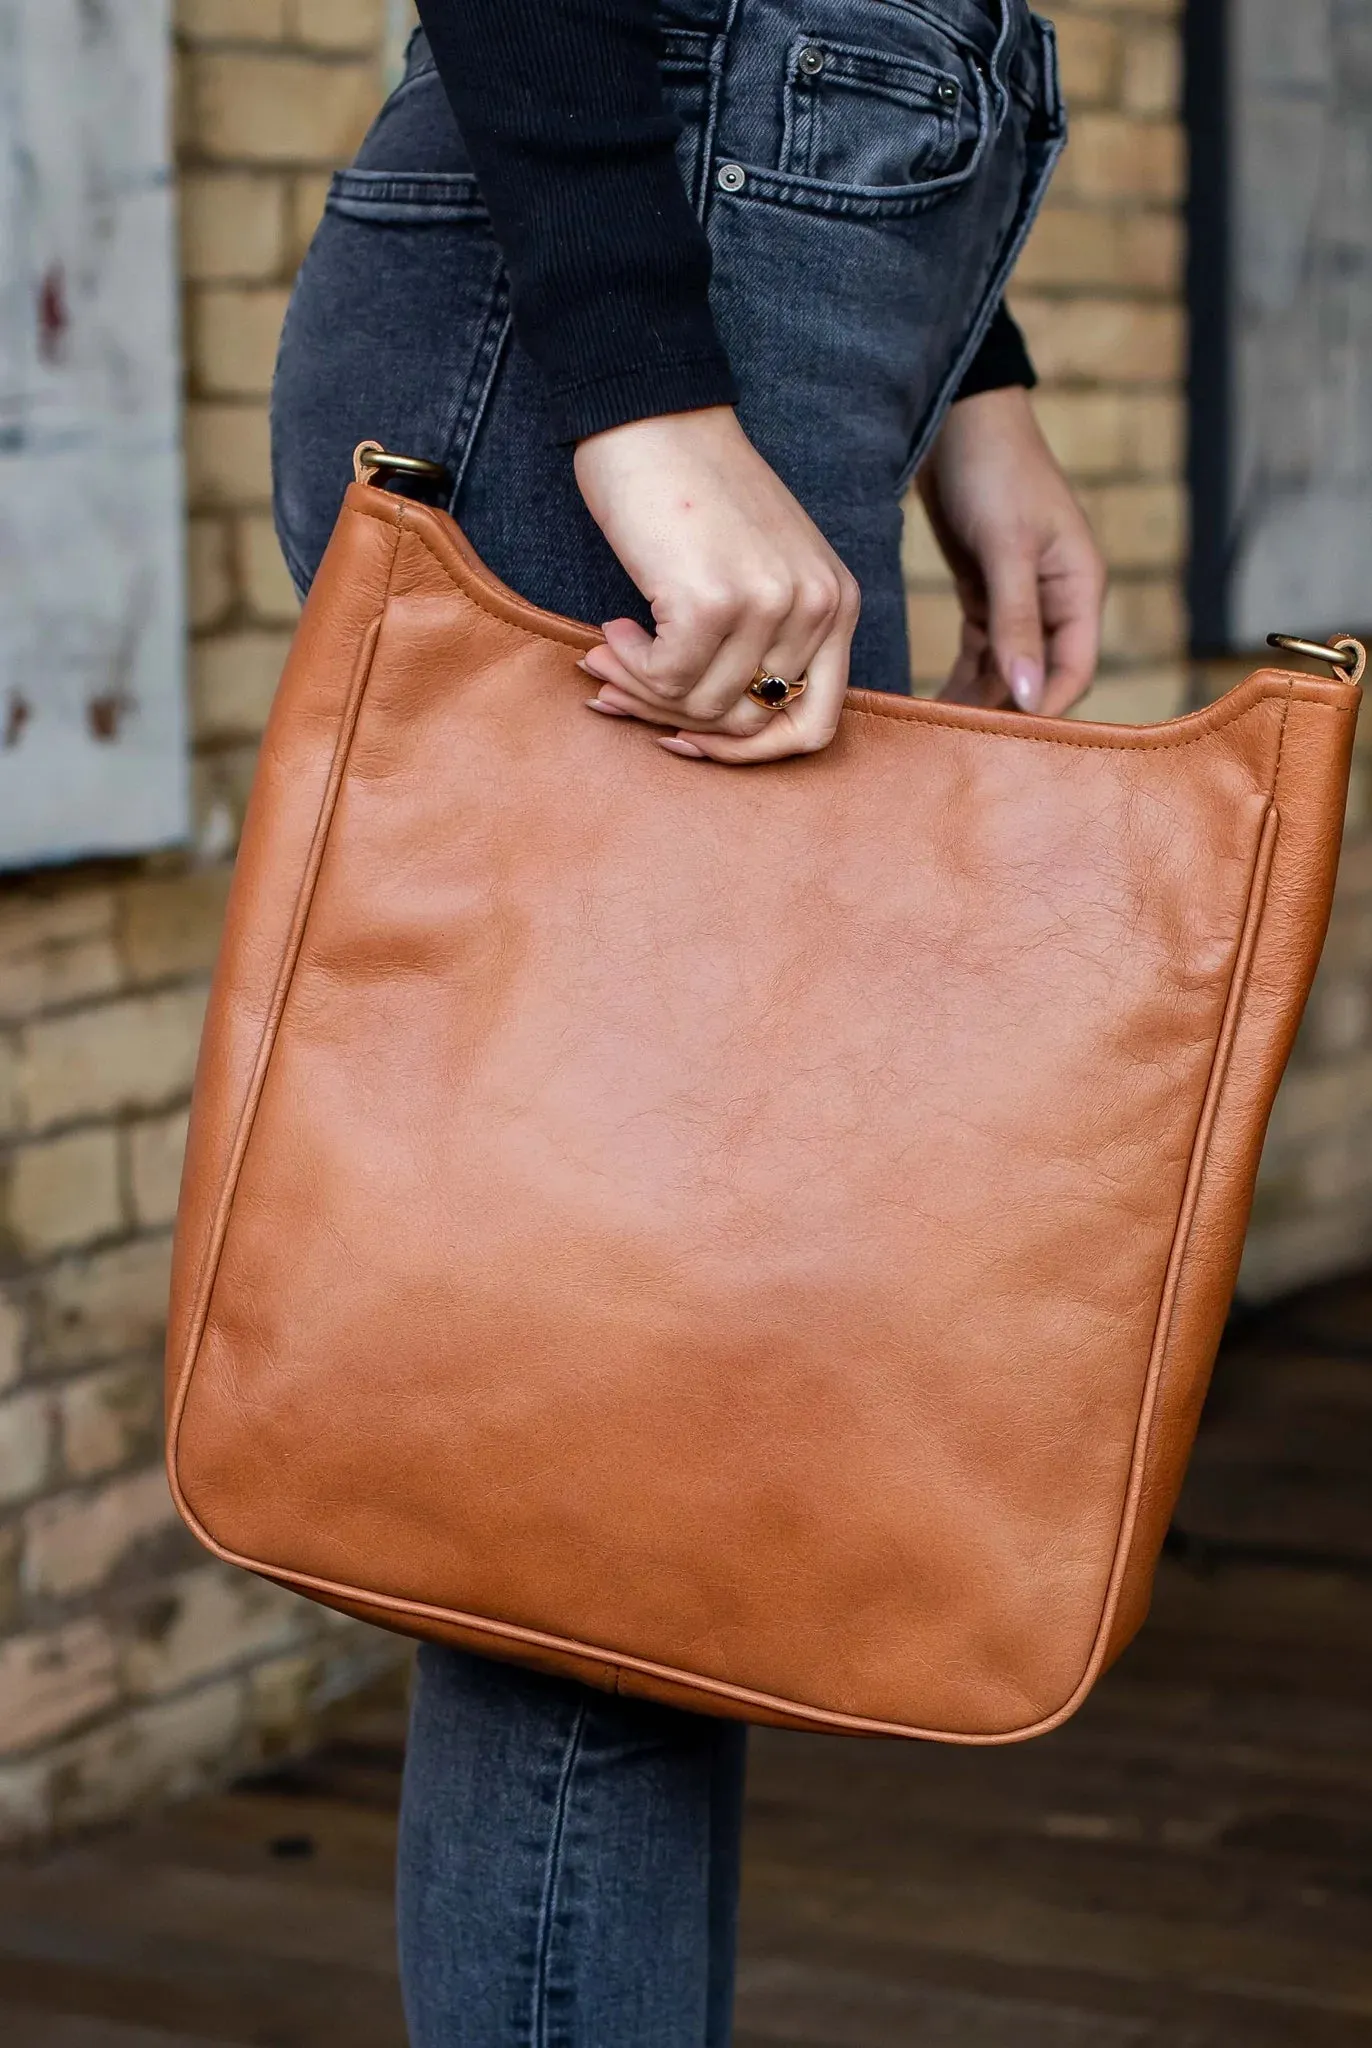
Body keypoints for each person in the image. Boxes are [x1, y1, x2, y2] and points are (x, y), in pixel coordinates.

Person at [270, 1, 1104, 2038]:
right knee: (615, 1487)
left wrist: (966, 382)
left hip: (780, 278)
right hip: (633, 285)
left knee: (666, 1460)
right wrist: (639, 390)